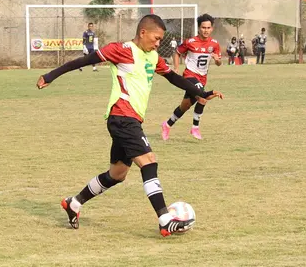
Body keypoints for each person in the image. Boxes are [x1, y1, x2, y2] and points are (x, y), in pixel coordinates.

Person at [36, 14, 218, 237]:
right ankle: (165, 219)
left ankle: (74, 202)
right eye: (156, 38)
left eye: (161, 40)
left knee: (117, 174)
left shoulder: (152, 56)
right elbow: (84, 61)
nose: (158, 43)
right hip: (122, 117)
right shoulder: (121, 50)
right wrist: (50, 75)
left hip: (131, 120)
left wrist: (202, 93)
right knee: (149, 161)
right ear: (143, 32)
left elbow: (173, 77)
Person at [161, 13, 223, 141]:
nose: (206, 30)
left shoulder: (215, 44)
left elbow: (219, 63)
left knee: (185, 106)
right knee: (202, 98)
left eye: (208, 28)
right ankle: (195, 128)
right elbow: (177, 52)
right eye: (203, 27)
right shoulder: (190, 42)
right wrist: (177, 68)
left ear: (212, 29)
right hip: (189, 75)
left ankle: (167, 125)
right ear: (199, 28)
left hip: (202, 78)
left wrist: (217, 60)